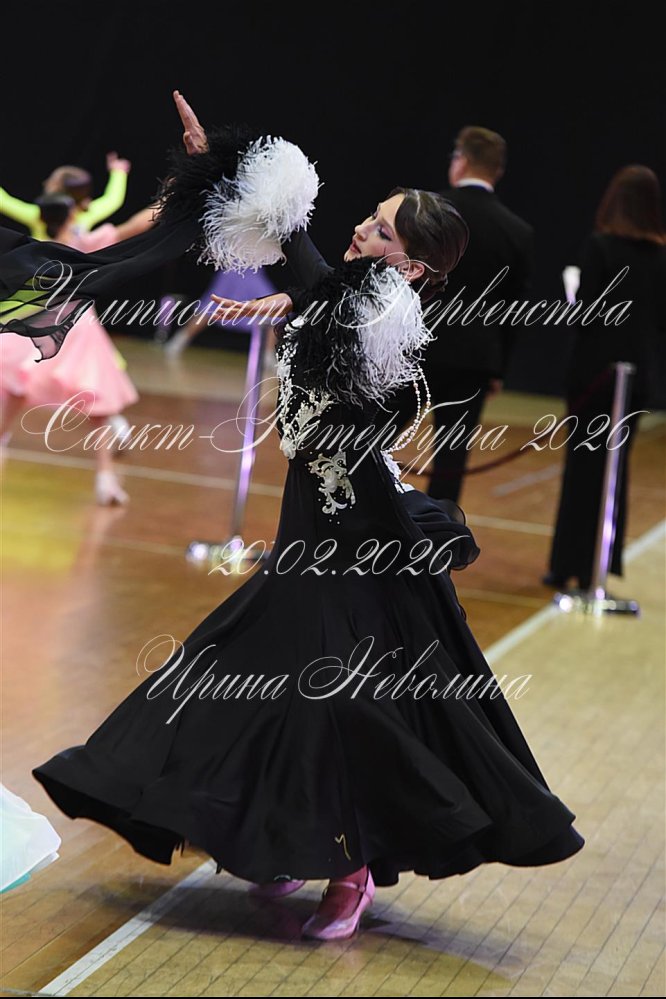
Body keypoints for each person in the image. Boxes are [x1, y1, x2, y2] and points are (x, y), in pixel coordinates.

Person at [2, 92, 584, 942]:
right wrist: (218, 172)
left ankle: (351, 869)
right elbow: (308, 274)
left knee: (338, 701)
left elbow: (307, 264)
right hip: (310, 530)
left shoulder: (379, 311)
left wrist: (230, 173)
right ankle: (286, 839)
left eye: (382, 231)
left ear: (414, 264)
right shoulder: (354, 296)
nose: (362, 229)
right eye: (371, 217)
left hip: (356, 539)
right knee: (251, 681)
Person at [384, 125, 534, 503]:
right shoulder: (518, 232)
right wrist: (499, 369)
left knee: (375, 438)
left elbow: (399, 275)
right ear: (497, 171)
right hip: (474, 359)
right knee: (451, 462)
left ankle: (360, 518)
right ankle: (438, 536)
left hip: (415, 347)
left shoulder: (430, 211)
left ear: (461, 160)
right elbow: (512, 309)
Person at [543, 165, 666, 590]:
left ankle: (568, 564)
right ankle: (600, 562)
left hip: (594, 375)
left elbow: (586, 314)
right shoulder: (659, 257)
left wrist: (573, 292)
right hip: (635, 378)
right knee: (615, 471)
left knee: (582, 468)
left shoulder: (600, 247)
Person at [0, 193, 154, 504]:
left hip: (35, 327)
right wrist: (170, 199)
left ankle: (106, 479)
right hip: (75, 329)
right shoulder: (81, 243)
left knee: (15, 392)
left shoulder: (33, 248)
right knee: (97, 404)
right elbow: (134, 226)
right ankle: (105, 478)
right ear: (71, 216)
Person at [0, 151, 130, 240]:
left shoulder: (38, 217)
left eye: (50, 182)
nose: (45, 183)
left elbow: (3, 201)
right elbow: (113, 199)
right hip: (74, 272)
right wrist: (119, 172)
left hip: (39, 272)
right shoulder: (87, 214)